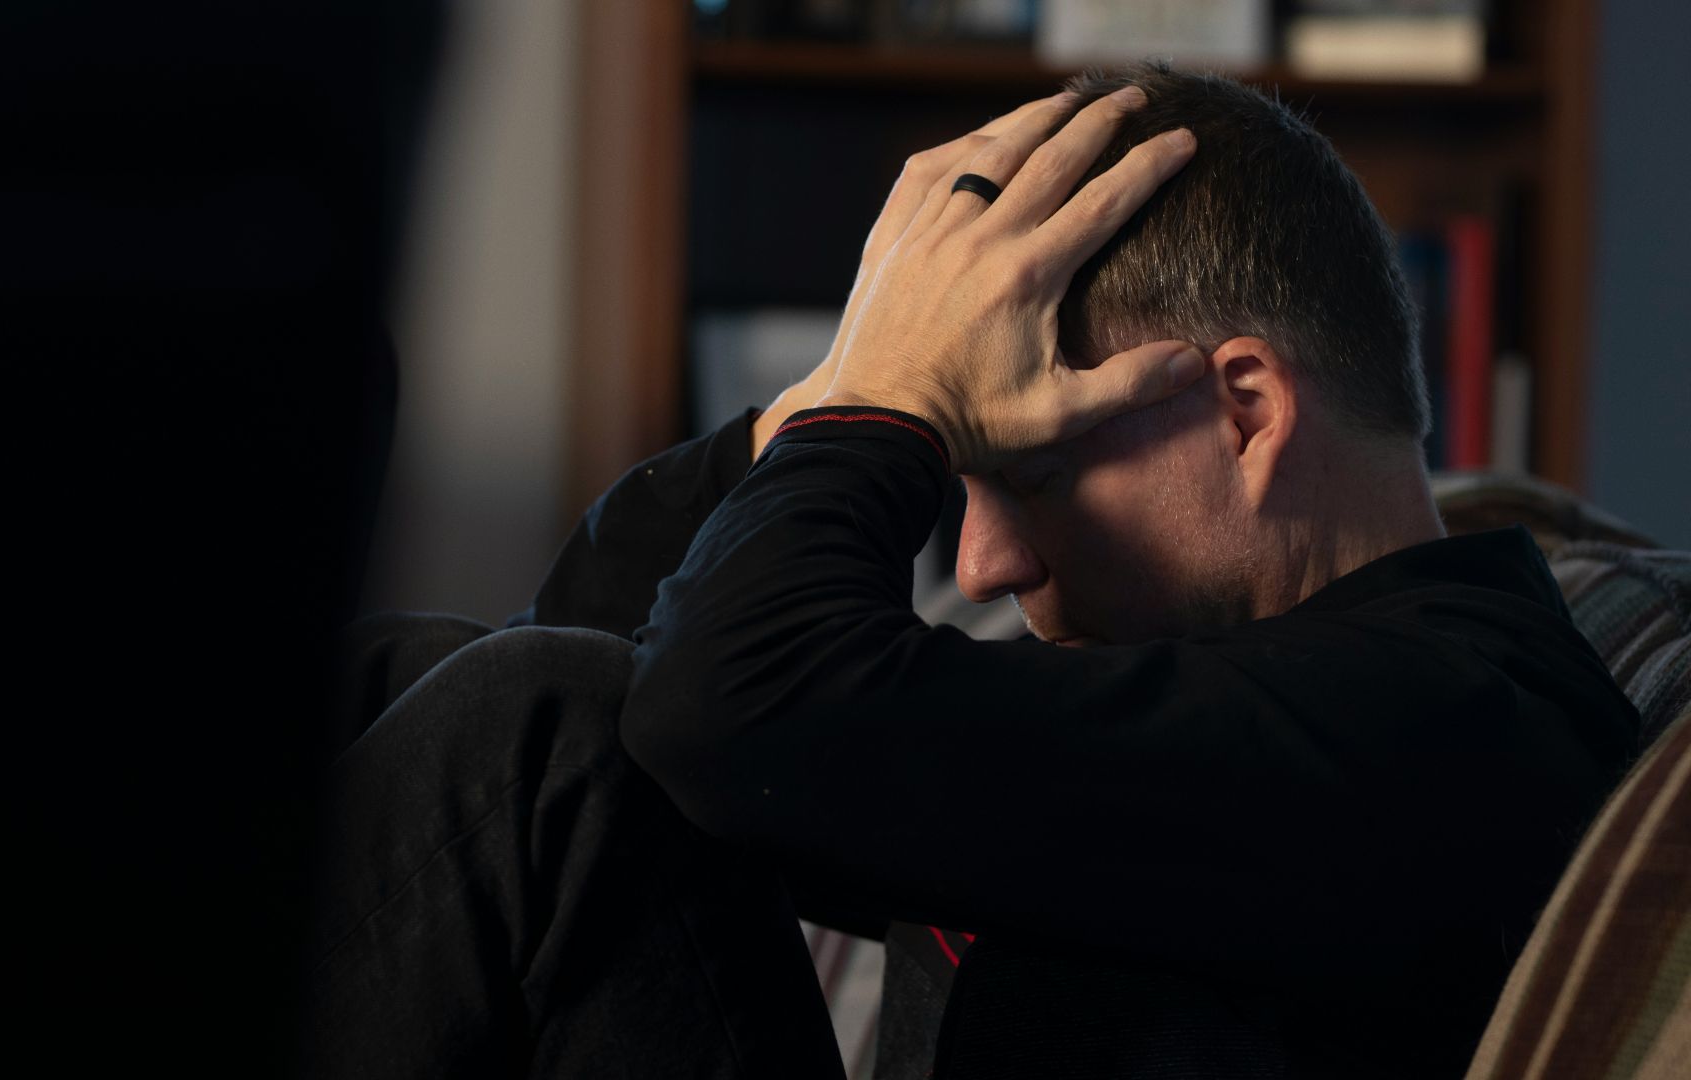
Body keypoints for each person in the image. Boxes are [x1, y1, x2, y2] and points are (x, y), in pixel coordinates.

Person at [301, 66, 1638, 1078]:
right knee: (401, 676)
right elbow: (616, 657)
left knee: (535, 735)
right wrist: (844, 387)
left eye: (1025, 475)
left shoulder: (1439, 727)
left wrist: (888, 413)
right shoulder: (1237, 701)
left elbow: (707, 705)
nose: (986, 566)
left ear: (1242, 411)